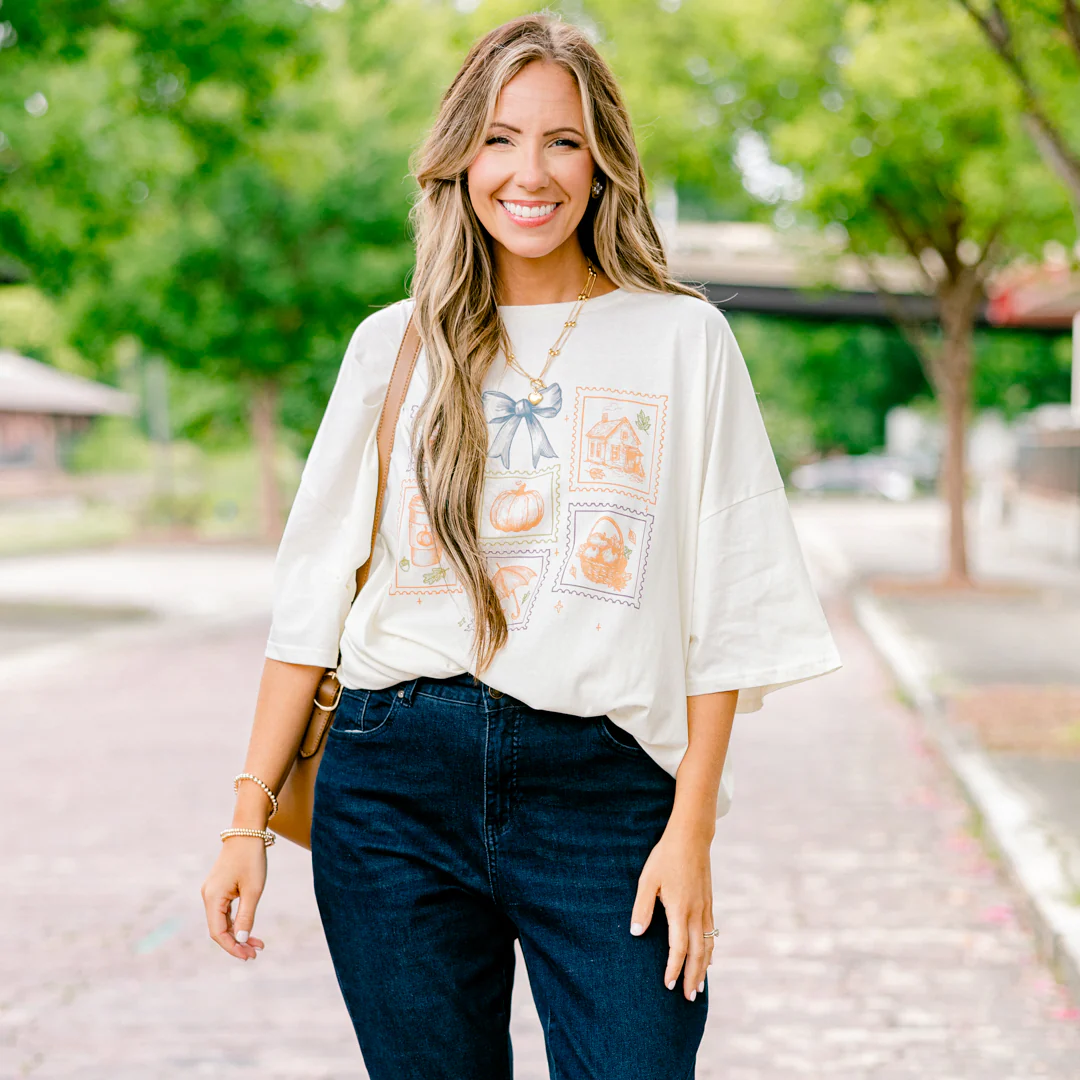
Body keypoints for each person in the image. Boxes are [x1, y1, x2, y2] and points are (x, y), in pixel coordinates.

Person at [201, 12, 842, 1079]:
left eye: (563, 140)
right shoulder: (391, 345)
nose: (528, 172)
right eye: (500, 138)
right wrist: (244, 823)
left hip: (605, 795)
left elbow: (726, 613)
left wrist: (692, 835)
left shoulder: (684, 340)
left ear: (603, 164)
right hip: (391, 780)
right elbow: (312, 598)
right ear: (459, 158)